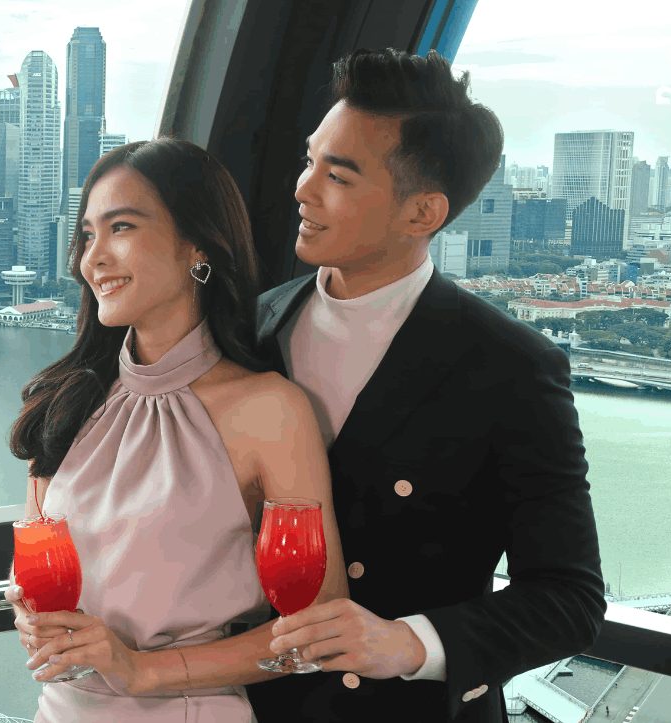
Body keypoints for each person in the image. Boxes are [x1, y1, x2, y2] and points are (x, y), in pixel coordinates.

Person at [245, 48, 607, 723]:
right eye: (308, 161)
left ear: (422, 214)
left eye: (338, 175)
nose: (302, 189)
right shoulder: (252, 326)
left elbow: (569, 597)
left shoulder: (510, 367)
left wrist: (408, 642)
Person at [3, 137, 350, 721]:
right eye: (87, 235)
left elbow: (317, 625)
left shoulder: (270, 410)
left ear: (197, 245)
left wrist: (141, 670)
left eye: (121, 227)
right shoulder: (65, 402)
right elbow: (33, 565)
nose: (93, 258)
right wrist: (27, 612)